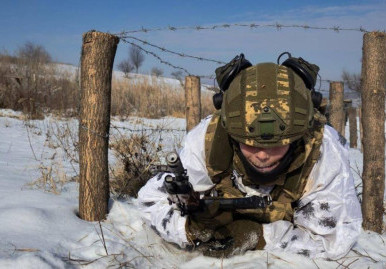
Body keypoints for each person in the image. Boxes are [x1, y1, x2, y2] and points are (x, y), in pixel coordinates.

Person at [137, 53, 362, 259]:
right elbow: (150, 201)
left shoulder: (321, 146)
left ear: (297, 136)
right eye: (249, 144)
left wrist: (259, 236)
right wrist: (188, 228)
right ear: (232, 134)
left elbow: (335, 240)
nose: (263, 155)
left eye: (276, 145)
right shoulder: (210, 139)